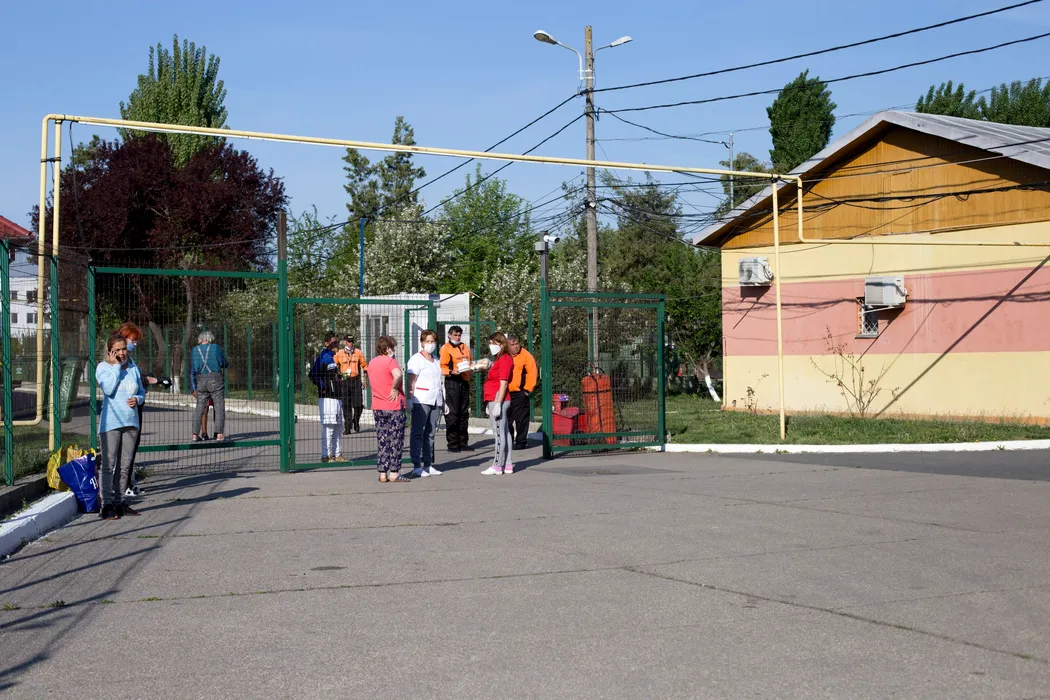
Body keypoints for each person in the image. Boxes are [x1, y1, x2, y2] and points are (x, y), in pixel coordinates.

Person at [95, 333, 146, 520]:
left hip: (131, 423)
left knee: (125, 466)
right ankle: (107, 504)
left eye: (124, 349)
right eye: (118, 350)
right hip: (111, 424)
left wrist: (138, 399)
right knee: (108, 465)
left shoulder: (133, 368)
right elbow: (108, 389)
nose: (122, 353)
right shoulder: (103, 368)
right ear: (110, 351)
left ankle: (120, 502)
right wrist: (116, 366)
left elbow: (141, 391)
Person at [116, 322, 169, 497]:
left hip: (135, 406)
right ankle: (123, 486)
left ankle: (129, 483)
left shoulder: (129, 360)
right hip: (124, 410)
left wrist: (158, 380)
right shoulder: (117, 361)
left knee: (132, 446)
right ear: (123, 339)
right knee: (125, 449)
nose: (135, 344)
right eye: (133, 340)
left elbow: (139, 380)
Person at [407, 329, 448, 478]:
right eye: (428, 341)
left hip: (435, 399)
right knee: (418, 432)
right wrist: (409, 399)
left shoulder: (436, 359)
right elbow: (411, 381)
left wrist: (443, 401)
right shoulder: (416, 359)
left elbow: (439, 381)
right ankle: (416, 466)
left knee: (430, 433)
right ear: (422, 343)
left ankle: (428, 464)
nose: (430, 344)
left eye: (433, 341)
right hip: (421, 400)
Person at [368, 335, 409, 483]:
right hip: (393, 405)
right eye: (393, 347)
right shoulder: (390, 362)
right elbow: (398, 374)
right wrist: (394, 388)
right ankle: (394, 472)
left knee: (382, 439)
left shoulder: (372, 362)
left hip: (378, 405)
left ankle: (382, 472)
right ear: (388, 348)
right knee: (395, 439)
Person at [480, 331, 514, 476]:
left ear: (501, 344)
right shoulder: (499, 359)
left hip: (498, 398)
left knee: (499, 433)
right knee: (504, 432)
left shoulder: (505, 359)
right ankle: (508, 464)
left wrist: (498, 403)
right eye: (490, 343)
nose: (490, 346)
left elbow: (503, 383)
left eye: (493, 343)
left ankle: (497, 465)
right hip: (495, 398)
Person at [309, 331, 346, 463]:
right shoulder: (323, 357)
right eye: (333, 343)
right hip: (327, 398)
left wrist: (341, 377)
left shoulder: (335, 357)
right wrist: (323, 386)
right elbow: (312, 374)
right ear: (326, 343)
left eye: (337, 342)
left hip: (337, 396)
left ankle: (337, 454)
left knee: (338, 427)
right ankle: (326, 455)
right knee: (329, 427)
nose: (336, 345)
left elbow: (334, 375)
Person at [190, 330, 229, 442]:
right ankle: (219, 434)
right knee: (219, 406)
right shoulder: (215, 347)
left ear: (200, 339)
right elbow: (223, 362)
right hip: (215, 379)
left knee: (199, 408)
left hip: (201, 379)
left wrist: (193, 387)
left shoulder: (195, 350)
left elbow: (193, 367)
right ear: (210, 338)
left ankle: (195, 434)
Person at [439, 325, 472, 453]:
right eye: (455, 335)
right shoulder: (446, 348)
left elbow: (469, 361)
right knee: (453, 414)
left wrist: (474, 367)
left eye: (459, 335)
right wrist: (451, 372)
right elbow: (442, 367)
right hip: (453, 381)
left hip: (464, 381)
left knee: (464, 413)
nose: (457, 337)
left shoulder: (464, 347)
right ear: (449, 335)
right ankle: (453, 443)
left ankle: (463, 442)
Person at [506, 333, 538, 451]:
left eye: (517, 343)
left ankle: (521, 442)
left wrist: (527, 390)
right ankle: (508, 440)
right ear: (507, 346)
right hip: (506, 392)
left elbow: (532, 373)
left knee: (522, 419)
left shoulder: (526, 355)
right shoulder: (504, 355)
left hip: (520, 392)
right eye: (512, 344)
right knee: (507, 419)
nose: (516, 346)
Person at [334, 335, 368, 434]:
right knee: (346, 404)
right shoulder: (339, 353)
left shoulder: (358, 352)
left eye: (352, 341)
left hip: (356, 380)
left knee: (358, 404)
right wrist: (338, 375)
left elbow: (365, 367)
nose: (350, 343)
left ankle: (356, 420)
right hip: (345, 380)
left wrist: (364, 381)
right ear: (345, 342)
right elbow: (333, 366)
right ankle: (347, 427)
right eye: (349, 341)